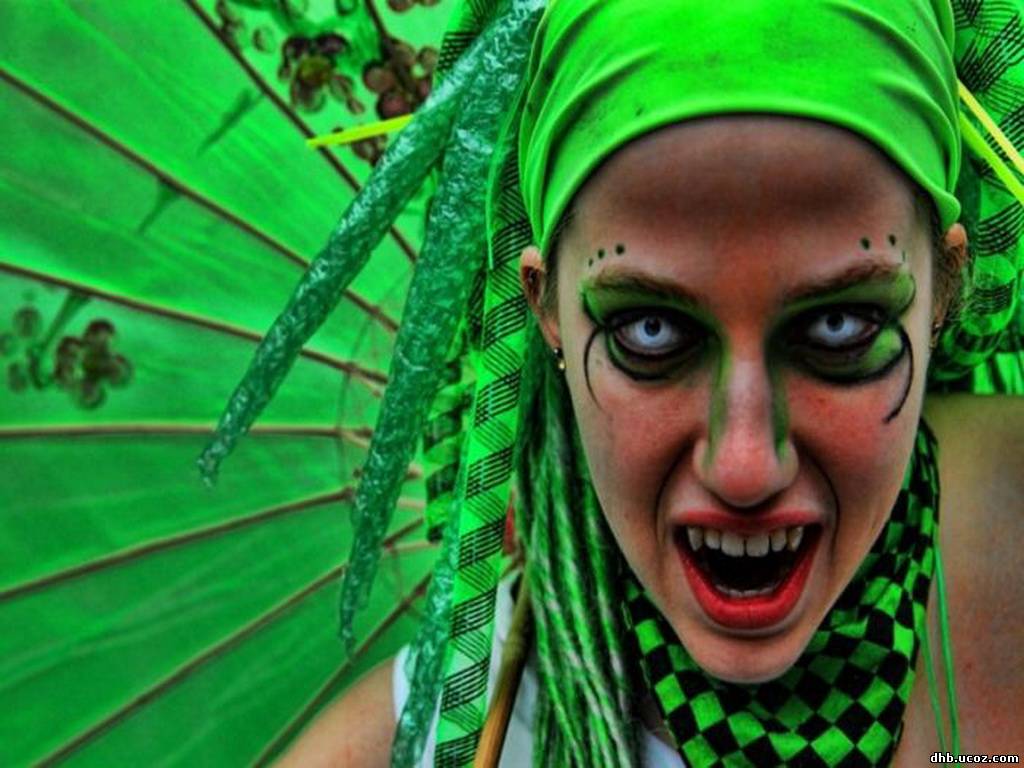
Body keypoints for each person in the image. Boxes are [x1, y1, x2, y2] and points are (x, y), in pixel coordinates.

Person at [216, 0, 1024, 765]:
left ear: (946, 288)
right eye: (651, 333)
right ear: (545, 309)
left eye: (840, 328)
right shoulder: (425, 748)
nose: (745, 467)